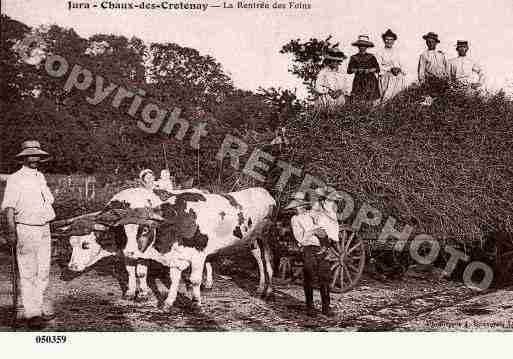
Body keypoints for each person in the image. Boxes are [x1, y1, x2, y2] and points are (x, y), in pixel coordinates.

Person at [1, 140, 56, 329]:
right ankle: (31, 313)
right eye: (31, 155)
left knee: (43, 271)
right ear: (23, 158)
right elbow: (8, 208)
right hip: (26, 228)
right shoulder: (16, 179)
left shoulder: (40, 177)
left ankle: (37, 308)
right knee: (28, 271)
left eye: (38, 155)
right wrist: (10, 231)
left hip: (44, 228)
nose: (35, 159)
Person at [286, 192, 337, 317]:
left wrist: (323, 233)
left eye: (299, 206)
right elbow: (300, 239)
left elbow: (325, 226)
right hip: (308, 248)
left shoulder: (311, 215)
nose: (297, 208)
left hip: (322, 247)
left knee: (324, 276)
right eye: (295, 206)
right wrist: (313, 231)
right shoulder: (295, 219)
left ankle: (326, 307)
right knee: (309, 276)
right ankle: (310, 307)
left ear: (303, 205)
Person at [347, 35, 381, 105]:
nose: (362, 47)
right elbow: (349, 70)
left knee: (371, 101)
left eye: (364, 46)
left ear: (367, 47)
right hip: (358, 81)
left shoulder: (371, 57)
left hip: (370, 81)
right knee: (359, 101)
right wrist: (357, 70)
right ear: (358, 46)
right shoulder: (354, 57)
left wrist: (370, 70)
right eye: (360, 45)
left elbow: (377, 68)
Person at [314, 47, 348, 115]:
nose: (334, 63)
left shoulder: (342, 73)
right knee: (327, 116)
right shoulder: (323, 72)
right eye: (332, 61)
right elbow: (318, 86)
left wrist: (340, 91)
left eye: (337, 61)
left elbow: (346, 86)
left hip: (339, 99)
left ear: (339, 62)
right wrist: (328, 91)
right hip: (327, 99)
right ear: (329, 61)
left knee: (339, 116)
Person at [376, 29, 407, 103]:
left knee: (400, 80)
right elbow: (378, 67)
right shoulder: (380, 52)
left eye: (391, 39)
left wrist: (399, 69)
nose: (389, 41)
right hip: (385, 77)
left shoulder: (397, 52)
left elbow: (403, 66)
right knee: (386, 96)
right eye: (387, 39)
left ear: (394, 41)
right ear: (384, 40)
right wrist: (390, 69)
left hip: (397, 77)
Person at [418, 32, 449, 100]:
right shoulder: (424, 55)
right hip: (431, 81)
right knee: (431, 100)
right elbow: (421, 70)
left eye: (433, 42)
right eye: (428, 42)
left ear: (436, 43)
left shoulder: (441, 54)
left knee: (443, 100)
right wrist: (423, 83)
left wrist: (447, 78)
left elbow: (446, 67)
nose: (431, 44)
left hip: (442, 81)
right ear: (426, 43)